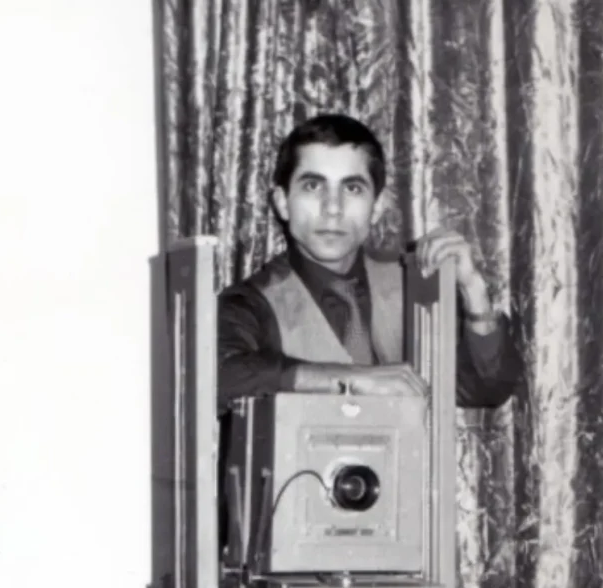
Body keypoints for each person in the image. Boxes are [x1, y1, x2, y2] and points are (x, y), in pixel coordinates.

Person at [217, 113, 522, 410]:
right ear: (283, 203)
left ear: (376, 207)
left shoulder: (413, 285)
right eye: (313, 186)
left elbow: (487, 389)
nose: (332, 208)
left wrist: (474, 292)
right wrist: (350, 379)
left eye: (352, 188)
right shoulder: (249, 303)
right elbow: (218, 376)